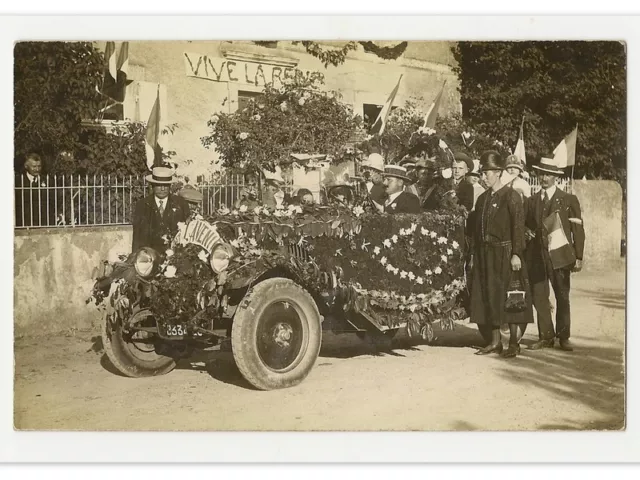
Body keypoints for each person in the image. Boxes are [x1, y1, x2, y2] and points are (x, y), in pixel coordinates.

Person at [470, 151, 533, 358]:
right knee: (490, 295)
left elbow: (518, 227)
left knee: (511, 298)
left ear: (498, 172)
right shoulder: (482, 199)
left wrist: (516, 254)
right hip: (486, 254)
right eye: (483, 172)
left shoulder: (511, 196)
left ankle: (514, 343)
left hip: (506, 253)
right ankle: (495, 342)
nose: (484, 176)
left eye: (487, 172)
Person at [525, 157, 585, 352]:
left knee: (562, 295)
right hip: (536, 256)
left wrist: (578, 256)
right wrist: (527, 232)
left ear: (556, 177)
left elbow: (578, 230)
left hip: (559, 256)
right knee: (539, 296)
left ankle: (564, 336)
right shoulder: (532, 201)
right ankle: (546, 336)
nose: (544, 178)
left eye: (549, 174)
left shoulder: (568, 200)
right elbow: (526, 224)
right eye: (542, 174)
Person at [132, 166, 191, 253]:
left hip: (176, 256)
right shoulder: (142, 205)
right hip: (149, 256)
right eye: (159, 185)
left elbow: (188, 232)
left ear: (170, 185)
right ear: (152, 186)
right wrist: (136, 258)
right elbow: (137, 236)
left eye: (166, 185)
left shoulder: (180, 203)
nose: (163, 189)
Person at [15, 153, 52, 227]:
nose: (37, 169)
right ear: (26, 166)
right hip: (24, 223)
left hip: (44, 222)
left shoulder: (48, 181)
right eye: (34, 166)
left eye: (39, 166)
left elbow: (52, 201)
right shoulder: (18, 182)